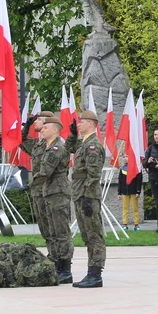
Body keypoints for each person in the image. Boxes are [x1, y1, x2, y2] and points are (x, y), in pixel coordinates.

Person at [26, 116, 76, 284]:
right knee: (52, 231)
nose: (42, 129)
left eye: (46, 127)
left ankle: (65, 269)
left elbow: (45, 171)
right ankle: (56, 263)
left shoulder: (57, 148)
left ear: (55, 130)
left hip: (58, 193)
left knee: (61, 232)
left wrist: (30, 184)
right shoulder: (48, 147)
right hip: (49, 192)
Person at [71, 110, 106, 288]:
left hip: (88, 195)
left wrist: (87, 195)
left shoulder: (93, 146)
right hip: (80, 193)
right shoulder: (84, 143)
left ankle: (95, 274)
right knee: (87, 234)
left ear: (91, 124)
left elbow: (93, 174)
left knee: (94, 234)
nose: (79, 124)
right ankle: (91, 272)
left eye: (82, 122)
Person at [20, 111, 56, 258]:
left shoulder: (54, 145)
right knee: (44, 226)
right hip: (38, 191)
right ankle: (52, 254)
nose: (36, 122)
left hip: (50, 190)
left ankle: (58, 258)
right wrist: (27, 125)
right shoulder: (37, 144)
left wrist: (29, 184)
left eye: (39, 120)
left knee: (53, 227)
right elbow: (20, 139)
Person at [117, 149, 142, 231]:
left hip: (134, 192)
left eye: (127, 156)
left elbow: (139, 180)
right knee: (125, 208)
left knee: (135, 208)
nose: (125, 158)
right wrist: (119, 192)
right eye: (124, 156)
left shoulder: (136, 167)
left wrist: (138, 191)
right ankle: (125, 224)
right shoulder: (122, 168)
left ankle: (136, 225)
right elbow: (120, 181)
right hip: (124, 192)